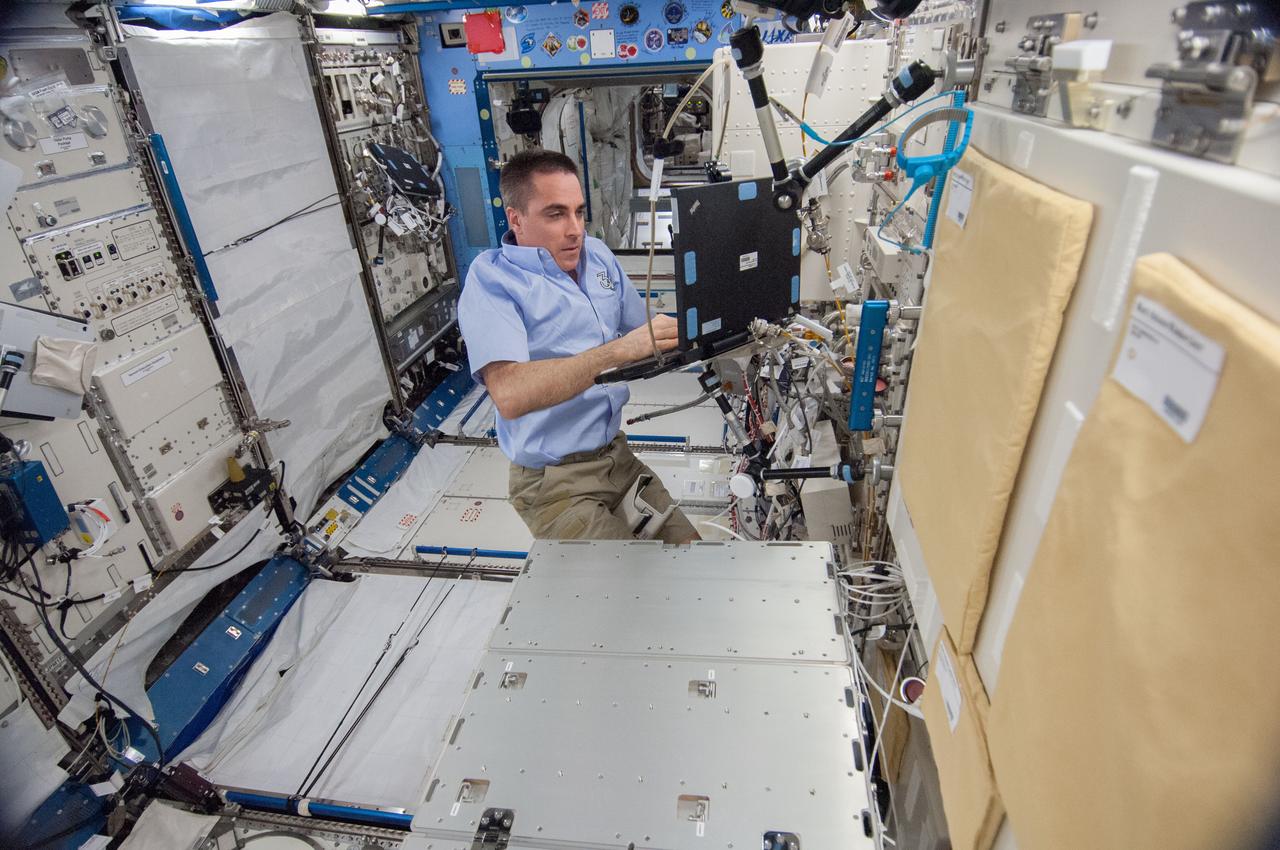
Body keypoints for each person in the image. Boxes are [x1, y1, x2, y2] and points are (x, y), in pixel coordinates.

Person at [457, 148, 700, 543]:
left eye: (579, 212)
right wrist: (616, 352)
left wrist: (712, 332)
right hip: (554, 483)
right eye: (556, 214)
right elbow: (511, 394)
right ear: (516, 218)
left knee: (695, 558)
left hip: (615, 458)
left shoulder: (598, 256)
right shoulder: (493, 282)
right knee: (630, 595)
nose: (575, 229)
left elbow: (647, 336)